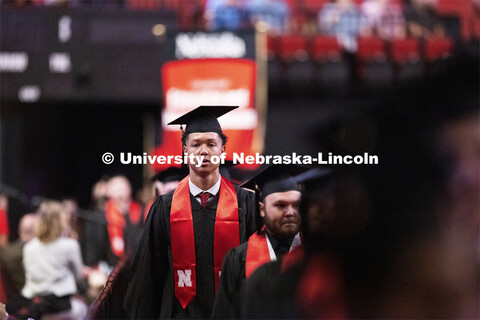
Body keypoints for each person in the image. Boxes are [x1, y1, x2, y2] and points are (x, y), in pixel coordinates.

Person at [124, 106, 256, 319]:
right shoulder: (164, 207)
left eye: (212, 144)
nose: (203, 151)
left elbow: (258, 270)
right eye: (195, 144)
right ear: (185, 150)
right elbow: (147, 276)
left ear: (223, 149)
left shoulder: (246, 204)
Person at [212, 164, 309, 319]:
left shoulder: (315, 256)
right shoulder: (238, 259)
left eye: (296, 205)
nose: (290, 212)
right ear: (262, 209)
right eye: (280, 205)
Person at [19, 200, 88, 320]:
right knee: (84, 308)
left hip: (35, 307)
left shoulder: (28, 247)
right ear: (61, 221)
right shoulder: (70, 245)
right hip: (61, 307)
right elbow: (79, 278)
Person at [0, 214, 37, 309]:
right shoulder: (38, 253)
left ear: (19, 231)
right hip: (33, 305)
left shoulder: (5, 253)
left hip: (11, 304)